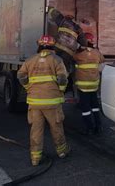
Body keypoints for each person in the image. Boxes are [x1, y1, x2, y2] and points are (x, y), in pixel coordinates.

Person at [17, 35, 70, 166]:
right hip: (52, 101)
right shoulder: (57, 60)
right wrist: (61, 90)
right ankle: (62, 151)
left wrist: (28, 87)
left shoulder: (30, 60)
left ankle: (35, 158)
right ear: (52, 46)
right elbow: (62, 78)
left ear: (39, 46)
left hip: (35, 102)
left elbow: (20, 75)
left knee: (36, 130)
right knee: (56, 127)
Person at [73, 33, 105, 135]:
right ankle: (98, 126)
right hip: (94, 85)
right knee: (95, 105)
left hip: (83, 87)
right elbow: (102, 63)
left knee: (85, 108)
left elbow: (71, 58)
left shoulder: (78, 54)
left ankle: (89, 128)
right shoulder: (97, 53)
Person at [47, 7, 87, 74]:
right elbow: (83, 42)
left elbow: (55, 13)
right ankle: (64, 80)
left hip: (58, 47)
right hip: (69, 51)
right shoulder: (78, 28)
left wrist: (49, 8)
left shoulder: (63, 21)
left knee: (54, 64)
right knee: (65, 67)